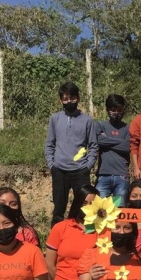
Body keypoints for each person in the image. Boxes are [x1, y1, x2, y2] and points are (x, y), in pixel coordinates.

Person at [45, 81, 99, 226]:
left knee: (84, 209)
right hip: (60, 171)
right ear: (61, 100)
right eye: (66, 99)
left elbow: (93, 146)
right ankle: (56, 241)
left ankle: (82, 239)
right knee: (58, 208)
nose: (69, 101)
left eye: (73, 98)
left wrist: (87, 166)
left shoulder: (87, 120)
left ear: (78, 98)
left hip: (80, 171)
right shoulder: (55, 119)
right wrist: (52, 165)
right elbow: (49, 144)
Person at [95, 94, 131, 202]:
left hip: (121, 177)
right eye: (113, 109)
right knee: (99, 209)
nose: (116, 113)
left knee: (118, 210)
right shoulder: (100, 125)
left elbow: (127, 147)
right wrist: (120, 142)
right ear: (107, 110)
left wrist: (107, 140)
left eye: (119, 109)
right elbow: (99, 140)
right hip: (103, 175)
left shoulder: (127, 128)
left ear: (124, 109)